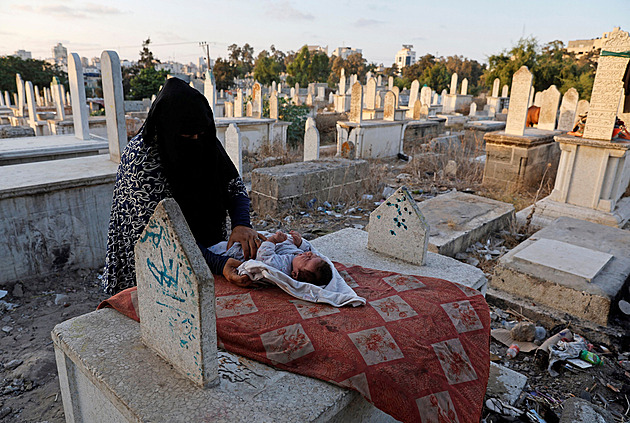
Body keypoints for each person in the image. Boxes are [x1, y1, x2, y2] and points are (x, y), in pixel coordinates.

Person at [103, 77, 264, 294]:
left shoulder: (205, 140)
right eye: (188, 135)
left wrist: (241, 224)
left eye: (201, 133)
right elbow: (164, 236)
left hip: (204, 244)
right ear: (167, 129)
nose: (196, 139)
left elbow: (233, 185)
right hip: (153, 257)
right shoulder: (142, 160)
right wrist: (216, 264)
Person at [206, 230, 333, 286]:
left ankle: (205, 251)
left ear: (295, 274)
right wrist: (299, 242)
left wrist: (272, 240)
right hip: (258, 238)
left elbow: (264, 257)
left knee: (215, 249)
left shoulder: (282, 266)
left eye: (308, 259)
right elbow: (307, 249)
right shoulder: (299, 256)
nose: (308, 254)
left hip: (239, 252)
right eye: (313, 256)